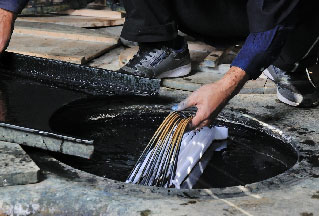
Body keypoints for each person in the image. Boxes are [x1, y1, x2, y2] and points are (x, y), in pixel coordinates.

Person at [1, 0, 318, 129]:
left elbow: (273, 16)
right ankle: (162, 45)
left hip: (274, 15)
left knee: (285, 32)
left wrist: (225, 86)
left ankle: (291, 60)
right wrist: (6, 11)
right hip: (202, 11)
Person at [118, 0, 319, 129]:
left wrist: (225, 87)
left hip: (282, 17)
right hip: (210, 13)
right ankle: (161, 43)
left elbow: (275, 9)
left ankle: (281, 60)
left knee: (287, 27)